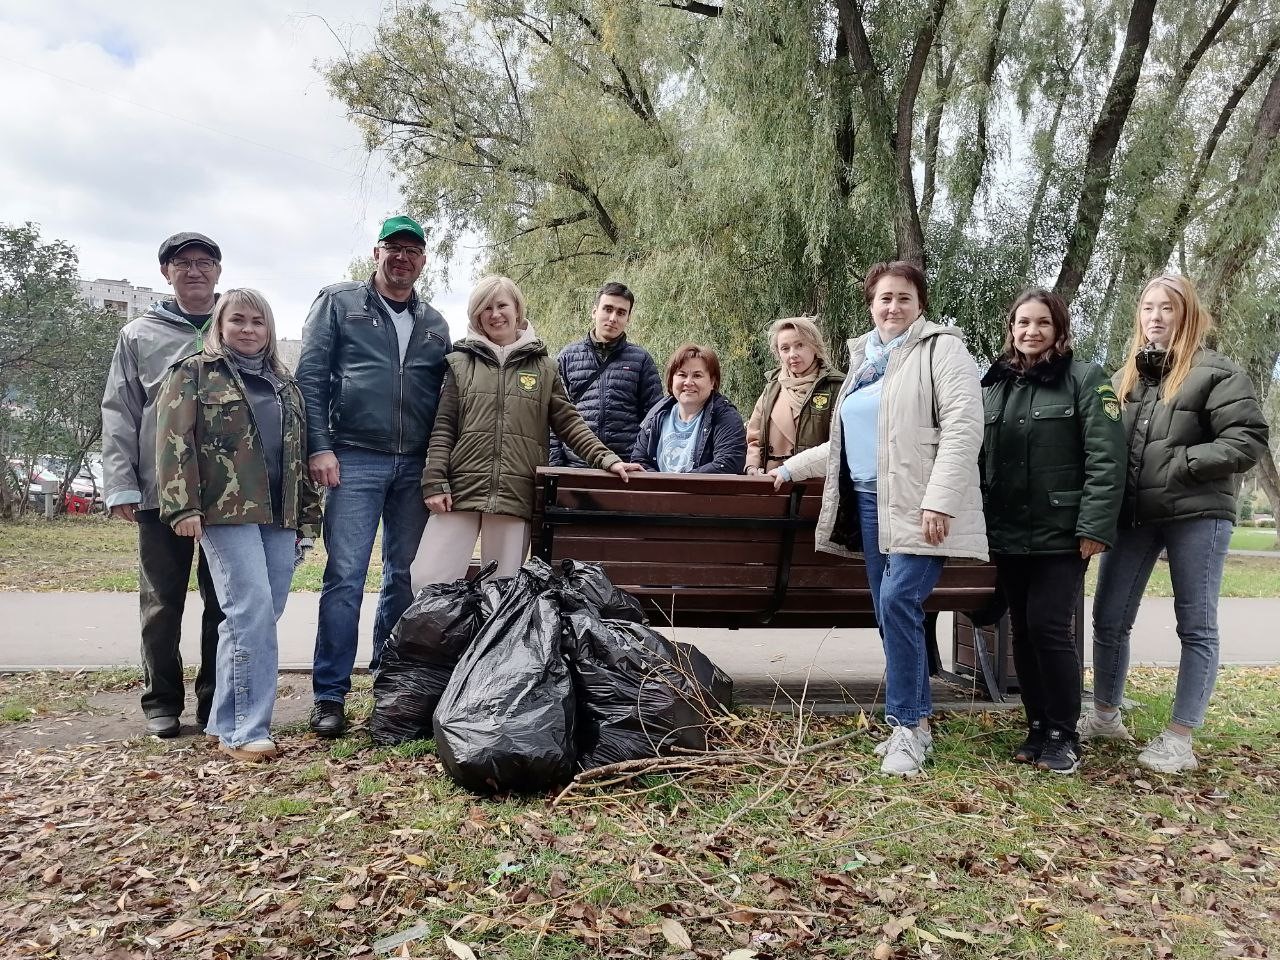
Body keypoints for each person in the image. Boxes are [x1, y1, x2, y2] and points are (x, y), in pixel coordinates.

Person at [772, 261, 986, 776]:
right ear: (871, 304)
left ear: (920, 305)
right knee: (892, 615)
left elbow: (964, 425)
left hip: (919, 501)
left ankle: (907, 726)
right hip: (868, 502)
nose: (893, 307)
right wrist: (793, 467)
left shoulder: (941, 349)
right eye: (884, 298)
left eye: (904, 298)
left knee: (898, 598)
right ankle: (917, 724)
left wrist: (940, 500)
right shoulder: (865, 361)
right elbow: (849, 440)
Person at [1079, 273, 1269, 773]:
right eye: (1148, 308)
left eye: (1167, 308)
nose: (1156, 317)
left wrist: (1180, 466)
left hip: (1197, 514)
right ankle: (1103, 715)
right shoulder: (1125, 378)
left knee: (1196, 624)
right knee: (1109, 617)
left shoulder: (1216, 372)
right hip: (1134, 516)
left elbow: (1246, 440)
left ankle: (1180, 737)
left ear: (1187, 314)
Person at [295, 215, 451, 738]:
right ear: (376, 253)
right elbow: (310, 379)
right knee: (345, 577)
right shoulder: (339, 304)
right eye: (393, 248)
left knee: (404, 578)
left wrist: (436, 464)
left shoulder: (434, 323)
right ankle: (331, 694)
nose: (402, 257)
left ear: (423, 260)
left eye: (412, 250)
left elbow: (442, 399)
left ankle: (391, 682)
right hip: (354, 457)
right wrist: (320, 445)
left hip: (414, 465)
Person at [154, 289, 321, 762]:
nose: (248, 330)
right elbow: (171, 443)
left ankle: (221, 719)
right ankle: (247, 730)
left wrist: (308, 519)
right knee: (249, 610)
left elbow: (300, 455)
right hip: (225, 512)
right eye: (238, 320)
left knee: (260, 614)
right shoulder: (193, 373)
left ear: (269, 330)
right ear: (220, 326)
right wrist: (182, 507)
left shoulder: (284, 385)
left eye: (258, 322)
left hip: (281, 513)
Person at [411, 276, 640, 587]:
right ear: (476, 315)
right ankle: (442, 637)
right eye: (485, 308)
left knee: (503, 591)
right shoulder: (460, 364)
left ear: (517, 309)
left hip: (514, 491)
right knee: (428, 578)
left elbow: (570, 423)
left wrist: (608, 459)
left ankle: (493, 638)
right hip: (460, 490)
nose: (495, 314)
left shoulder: (544, 368)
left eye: (502, 305)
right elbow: (444, 429)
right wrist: (435, 480)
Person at [980, 289, 1125, 774]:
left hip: (1062, 533)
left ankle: (1065, 733)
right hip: (1007, 531)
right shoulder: (995, 384)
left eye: (1042, 323)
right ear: (1011, 329)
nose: (1031, 332)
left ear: (1059, 329)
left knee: (1049, 628)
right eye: (1022, 323)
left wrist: (1094, 527)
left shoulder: (1085, 379)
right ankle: (1037, 725)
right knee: (1021, 630)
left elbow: (1107, 460)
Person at [100, 231, 227, 738]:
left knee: (224, 605)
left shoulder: (235, 325)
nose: (195, 271)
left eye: (204, 262)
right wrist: (121, 483)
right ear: (166, 273)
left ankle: (216, 701)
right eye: (183, 263)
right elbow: (120, 411)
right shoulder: (139, 334)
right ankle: (162, 700)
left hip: (226, 494)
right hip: (160, 493)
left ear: (219, 271)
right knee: (161, 601)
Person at [549, 282, 664, 466]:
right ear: (594, 311)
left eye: (621, 312)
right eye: (607, 309)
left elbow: (654, 418)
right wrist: (555, 466)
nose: (613, 318)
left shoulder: (640, 360)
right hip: (577, 466)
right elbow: (554, 418)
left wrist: (642, 463)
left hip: (626, 467)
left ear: (628, 317)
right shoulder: (568, 357)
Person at [744, 316, 845, 475]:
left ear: (815, 346)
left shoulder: (836, 386)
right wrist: (752, 466)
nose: (793, 354)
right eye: (785, 348)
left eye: (800, 345)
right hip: (772, 482)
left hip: (815, 482)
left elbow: (841, 444)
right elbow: (754, 438)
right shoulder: (773, 388)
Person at [630, 344, 747, 474]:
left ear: (712, 382)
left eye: (697, 375)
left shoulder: (726, 417)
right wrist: (663, 488)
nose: (688, 382)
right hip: (659, 493)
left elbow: (729, 463)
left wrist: (678, 486)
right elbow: (639, 461)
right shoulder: (657, 414)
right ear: (671, 380)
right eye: (682, 375)